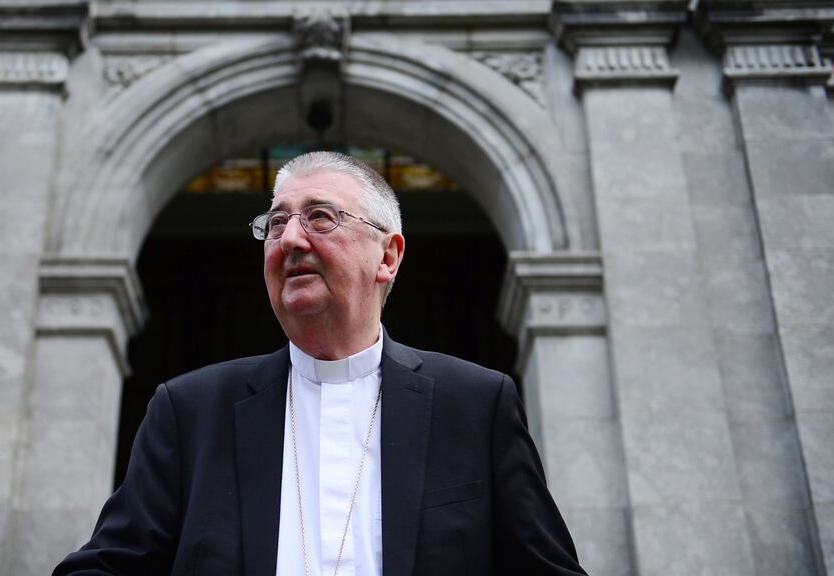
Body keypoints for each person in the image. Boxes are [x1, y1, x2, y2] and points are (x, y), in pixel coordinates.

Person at [54, 151, 586, 576]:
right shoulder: (191, 411)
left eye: (320, 217)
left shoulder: (474, 404)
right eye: (276, 222)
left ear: (388, 256)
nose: (288, 239)